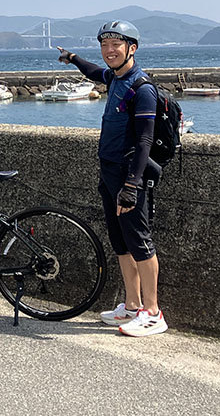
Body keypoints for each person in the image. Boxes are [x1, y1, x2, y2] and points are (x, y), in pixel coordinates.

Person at [57, 20, 168, 336]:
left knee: (140, 242)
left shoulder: (141, 88)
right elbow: (95, 73)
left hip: (129, 175)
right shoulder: (115, 78)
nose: (109, 51)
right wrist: (74, 58)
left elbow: (145, 140)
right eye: (104, 45)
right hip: (108, 172)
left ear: (132, 48)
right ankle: (132, 305)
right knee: (121, 243)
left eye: (116, 45)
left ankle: (153, 312)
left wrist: (131, 186)